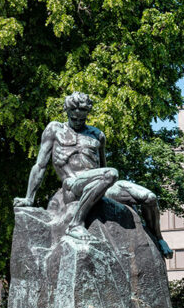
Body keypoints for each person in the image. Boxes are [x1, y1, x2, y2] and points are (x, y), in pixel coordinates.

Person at [12, 92, 173, 258]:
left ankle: (158, 239)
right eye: (74, 119)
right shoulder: (55, 130)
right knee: (111, 173)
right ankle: (76, 223)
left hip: (99, 183)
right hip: (73, 185)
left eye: (82, 119)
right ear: (67, 112)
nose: (78, 122)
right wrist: (29, 198)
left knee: (150, 197)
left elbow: (103, 167)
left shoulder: (97, 135)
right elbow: (40, 165)